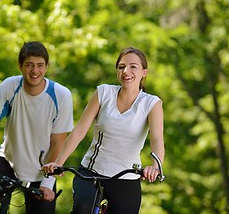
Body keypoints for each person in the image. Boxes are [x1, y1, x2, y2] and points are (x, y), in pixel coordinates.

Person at [42, 47, 165, 214]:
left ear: (144, 72)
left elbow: (157, 140)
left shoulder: (151, 104)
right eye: (121, 67)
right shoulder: (104, 92)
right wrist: (58, 162)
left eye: (133, 66)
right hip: (92, 173)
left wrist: (155, 167)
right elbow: (79, 131)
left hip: (126, 177)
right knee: (82, 209)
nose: (126, 71)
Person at [0, 41, 74, 214]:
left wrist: (48, 183)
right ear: (20, 66)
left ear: (46, 67)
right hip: (8, 161)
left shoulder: (61, 95)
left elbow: (58, 143)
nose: (35, 71)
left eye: (40, 65)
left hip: (42, 170)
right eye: (29, 65)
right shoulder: (10, 87)